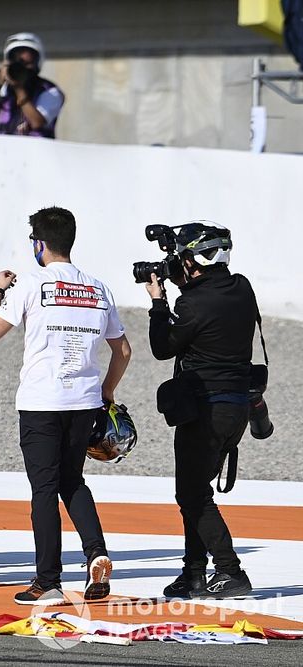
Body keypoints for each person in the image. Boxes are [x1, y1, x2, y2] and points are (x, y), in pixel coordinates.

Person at [0, 206, 131, 605]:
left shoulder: (30, 283)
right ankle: (95, 552)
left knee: (44, 490)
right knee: (72, 481)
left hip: (42, 400)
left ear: (39, 243)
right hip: (84, 402)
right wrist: (107, 392)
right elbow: (124, 350)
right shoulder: (99, 288)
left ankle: (47, 581)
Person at [145, 223, 257, 599]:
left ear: (193, 260)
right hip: (236, 407)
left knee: (192, 495)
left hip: (205, 410)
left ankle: (230, 571)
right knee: (198, 492)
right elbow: (211, 303)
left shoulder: (191, 304)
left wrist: (158, 302)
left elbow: (163, 346)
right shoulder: (241, 288)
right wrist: (181, 279)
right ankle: (193, 574)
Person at [0, 32, 64, 139]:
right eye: (17, 63)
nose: (22, 68)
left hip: (36, 152)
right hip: (4, 151)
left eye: (27, 63)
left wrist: (19, 89)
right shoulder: (5, 89)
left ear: (37, 62)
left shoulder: (50, 91)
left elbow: (36, 122)